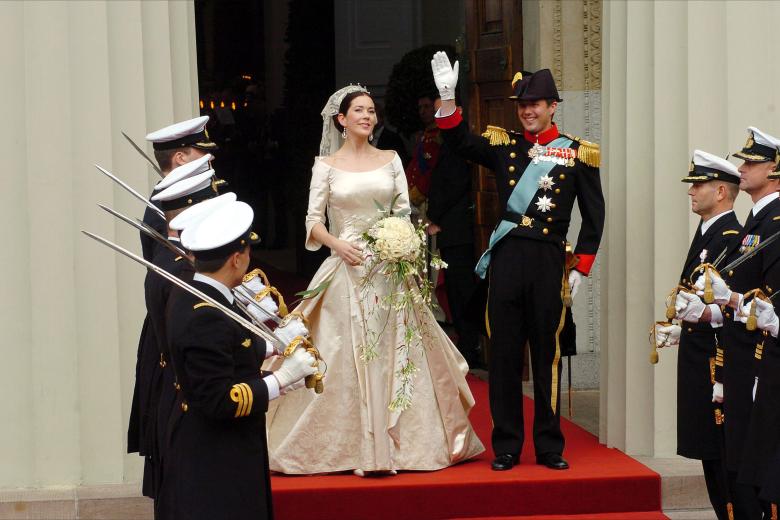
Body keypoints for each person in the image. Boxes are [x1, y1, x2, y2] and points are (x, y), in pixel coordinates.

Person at [265, 85, 484, 475]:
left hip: (390, 271)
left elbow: (403, 210)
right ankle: (352, 447)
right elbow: (312, 221)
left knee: (397, 350)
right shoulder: (326, 164)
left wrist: (401, 242)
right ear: (341, 120)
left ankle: (402, 447)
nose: (367, 116)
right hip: (346, 269)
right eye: (359, 111)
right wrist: (338, 244)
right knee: (342, 354)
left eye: (371, 110)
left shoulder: (391, 159)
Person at [430, 52, 605, 471]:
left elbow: (595, 216)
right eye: (523, 106)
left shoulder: (578, 154)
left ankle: (549, 446)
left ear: (552, 107)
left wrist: (581, 267)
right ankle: (507, 445)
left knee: (547, 355)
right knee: (505, 356)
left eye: (535, 105)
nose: (528, 112)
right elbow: (459, 142)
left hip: (548, 262)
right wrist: (448, 100)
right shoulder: (503, 145)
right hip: (507, 260)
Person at [156, 200, 317, 520]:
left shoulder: (204, 295)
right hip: (216, 456)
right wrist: (282, 379)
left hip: (221, 448)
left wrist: (270, 348)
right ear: (237, 258)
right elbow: (219, 398)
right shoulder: (205, 315)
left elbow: (228, 348)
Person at [675, 127, 780, 518]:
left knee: (748, 471)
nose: (742, 168)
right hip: (736, 362)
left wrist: (725, 302)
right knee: (735, 464)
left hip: (753, 362)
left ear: (775, 169)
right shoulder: (756, 223)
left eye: (752, 162)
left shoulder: (770, 223)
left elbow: (767, 302)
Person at [655, 150, 742, 520]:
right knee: (708, 453)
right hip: (698, 355)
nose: (692, 192)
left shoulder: (731, 236)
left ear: (721, 191)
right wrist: (682, 324)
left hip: (715, 363)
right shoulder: (708, 232)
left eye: (700, 185)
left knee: (721, 454)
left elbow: (738, 304)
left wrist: (705, 313)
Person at [424, 95, 482, 367]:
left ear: (457, 111)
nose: (438, 118)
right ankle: (466, 342)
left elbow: (455, 183)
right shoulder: (446, 140)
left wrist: (434, 216)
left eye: (442, 112)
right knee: (457, 291)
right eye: (436, 113)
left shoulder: (460, 141)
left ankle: (471, 346)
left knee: (462, 290)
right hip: (452, 228)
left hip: (458, 228)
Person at [142, 115, 218, 261]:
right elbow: (173, 268)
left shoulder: (184, 197)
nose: (210, 157)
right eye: (203, 151)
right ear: (181, 158)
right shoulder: (167, 207)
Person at [372, 102, 409, 166]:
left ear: (381, 118)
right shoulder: (366, 137)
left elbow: (400, 163)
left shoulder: (393, 138)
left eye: (373, 115)